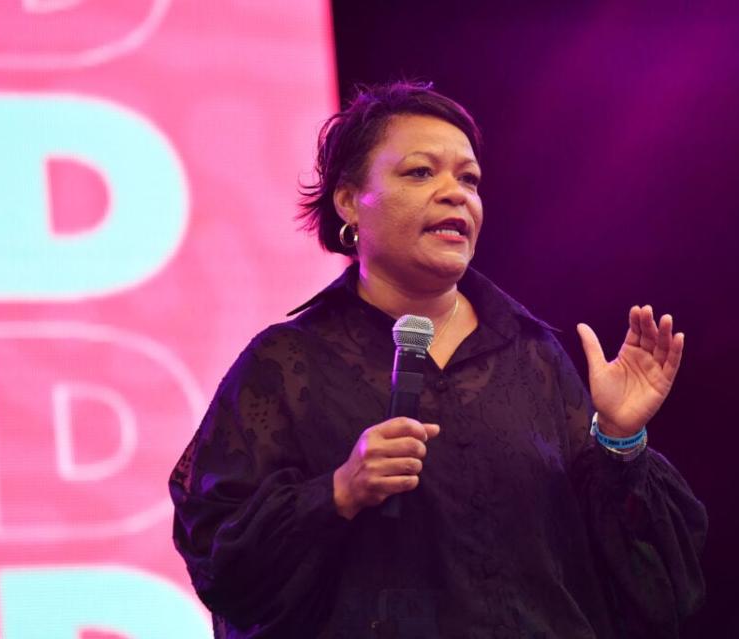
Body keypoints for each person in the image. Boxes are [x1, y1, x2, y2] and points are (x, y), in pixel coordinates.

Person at [169, 81, 706, 639]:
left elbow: (649, 579)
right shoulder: (284, 365)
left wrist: (620, 442)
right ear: (350, 201)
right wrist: (338, 492)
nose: (457, 194)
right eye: (421, 173)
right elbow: (220, 556)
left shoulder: (532, 354)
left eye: (469, 179)